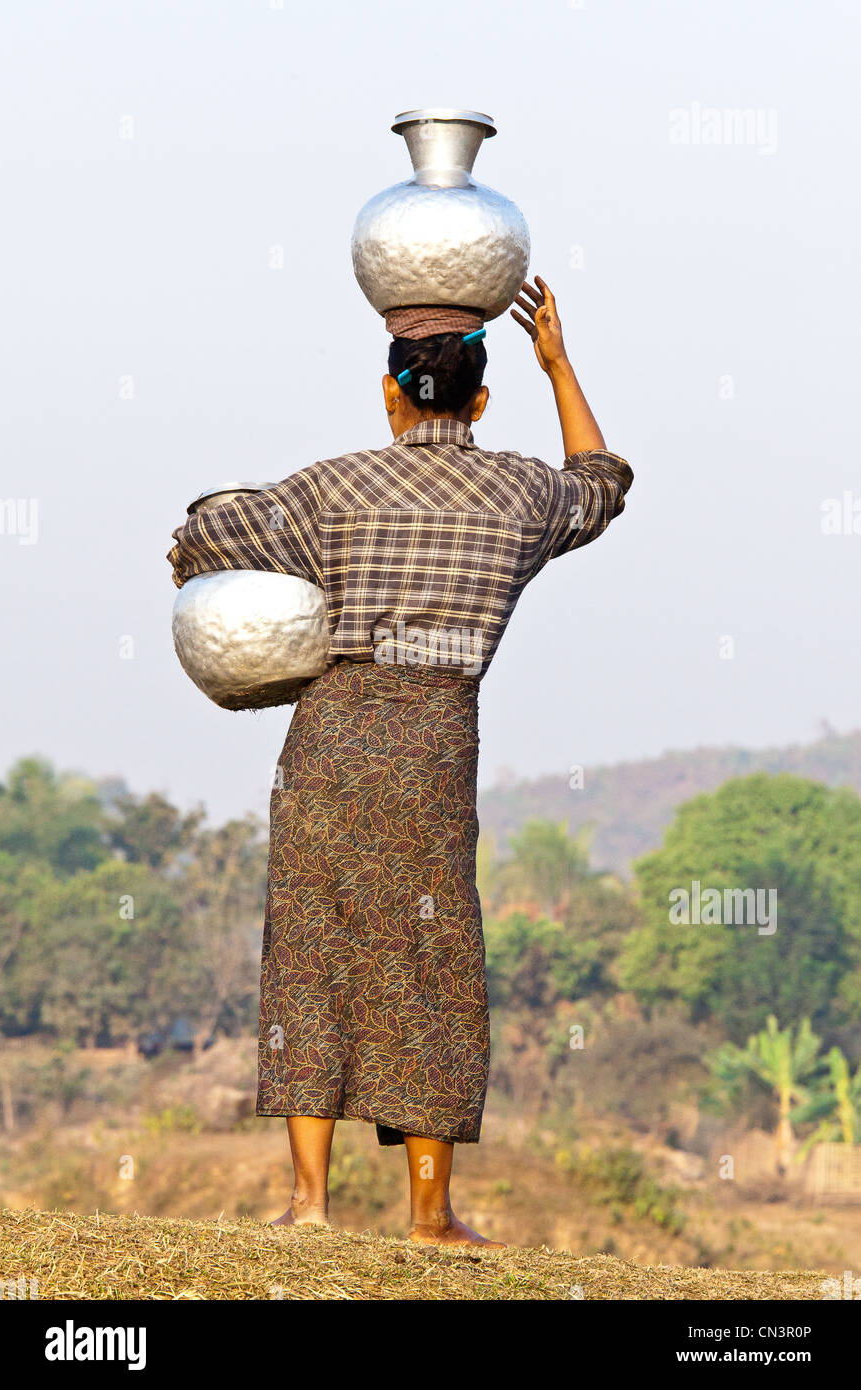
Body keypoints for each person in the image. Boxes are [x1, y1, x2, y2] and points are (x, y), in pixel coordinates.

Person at [167, 276, 633, 1247]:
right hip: (432, 745)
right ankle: (429, 1214)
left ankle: (307, 1205)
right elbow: (602, 483)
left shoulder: (333, 485)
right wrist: (558, 363)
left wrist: (194, 559)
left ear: (390, 394)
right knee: (428, 964)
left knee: (311, 953)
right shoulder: (520, 491)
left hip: (330, 737)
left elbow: (212, 527)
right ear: (481, 399)